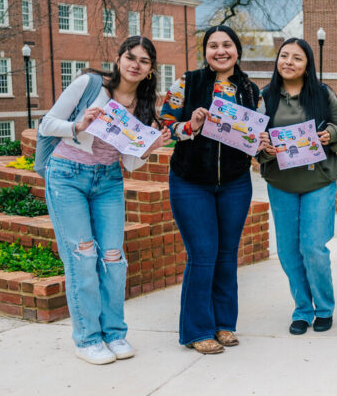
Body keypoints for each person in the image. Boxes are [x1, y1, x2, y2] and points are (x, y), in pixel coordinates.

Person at [39, 36, 171, 364]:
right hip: (67, 176)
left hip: (108, 180)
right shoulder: (89, 83)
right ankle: (87, 338)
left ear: (150, 70)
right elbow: (46, 124)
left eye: (143, 61)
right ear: (119, 58)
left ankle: (114, 333)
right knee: (82, 258)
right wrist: (78, 124)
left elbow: (128, 162)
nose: (135, 64)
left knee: (113, 259)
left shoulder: (145, 105)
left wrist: (148, 148)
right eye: (130, 57)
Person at [160, 25, 262, 354]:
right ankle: (197, 329)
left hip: (234, 182)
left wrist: (264, 144)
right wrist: (191, 124)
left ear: (237, 50)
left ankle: (223, 324)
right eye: (213, 45)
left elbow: (258, 134)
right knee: (203, 255)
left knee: (227, 255)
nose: (220, 51)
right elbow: (163, 126)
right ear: (205, 51)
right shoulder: (187, 82)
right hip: (191, 180)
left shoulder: (249, 89)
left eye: (227, 45)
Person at [257, 38, 337, 336]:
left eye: (296, 58)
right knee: (288, 251)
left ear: (307, 64)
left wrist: (331, 135)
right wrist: (264, 150)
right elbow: (253, 140)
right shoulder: (265, 97)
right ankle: (302, 309)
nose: (288, 62)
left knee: (312, 247)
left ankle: (324, 308)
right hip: (282, 182)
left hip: (318, 181)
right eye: (283, 56)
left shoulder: (322, 95)